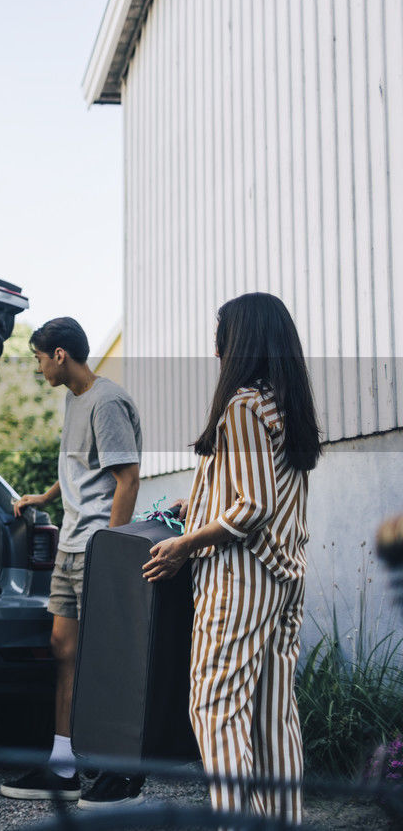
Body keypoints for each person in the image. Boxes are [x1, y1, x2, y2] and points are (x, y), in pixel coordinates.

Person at [144, 292, 321, 822]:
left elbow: (252, 507)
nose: (217, 353)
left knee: (216, 708)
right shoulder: (282, 403)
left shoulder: (243, 405)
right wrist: (197, 502)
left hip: (241, 579)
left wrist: (184, 544)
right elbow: (260, 490)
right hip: (285, 576)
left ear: (238, 343)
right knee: (273, 715)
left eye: (220, 341)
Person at [0, 317, 143, 809]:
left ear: (60, 354)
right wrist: (48, 492)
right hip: (71, 543)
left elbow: (127, 478)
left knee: (103, 659)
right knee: (64, 648)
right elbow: (83, 462)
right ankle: (63, 765)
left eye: (39, 357)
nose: (38, 367)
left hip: (97, 547)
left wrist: (113, 551)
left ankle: (118, 773)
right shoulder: (75, 397)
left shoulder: (106, 401)